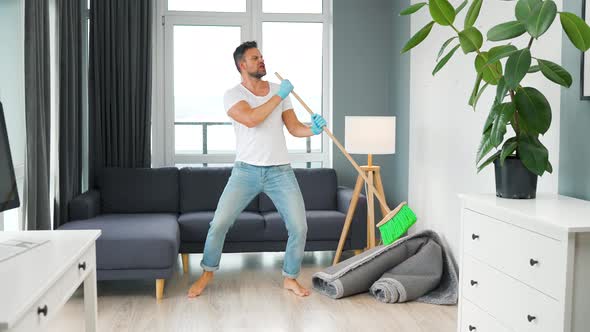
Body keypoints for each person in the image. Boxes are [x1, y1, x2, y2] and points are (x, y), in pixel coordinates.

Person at [187, 41, 327, 298]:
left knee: (299, 227)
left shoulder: (277, 92)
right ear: (242, 65)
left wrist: (313, 129)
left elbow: (295, 128)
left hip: (280, 172)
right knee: (219, 224)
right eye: (255, 58)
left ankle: (290, 277)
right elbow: (252, 119)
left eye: (262, 57)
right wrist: (279, 96)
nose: (262, 61)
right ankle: (207, 273)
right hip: (245, 172)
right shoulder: (234, 95)